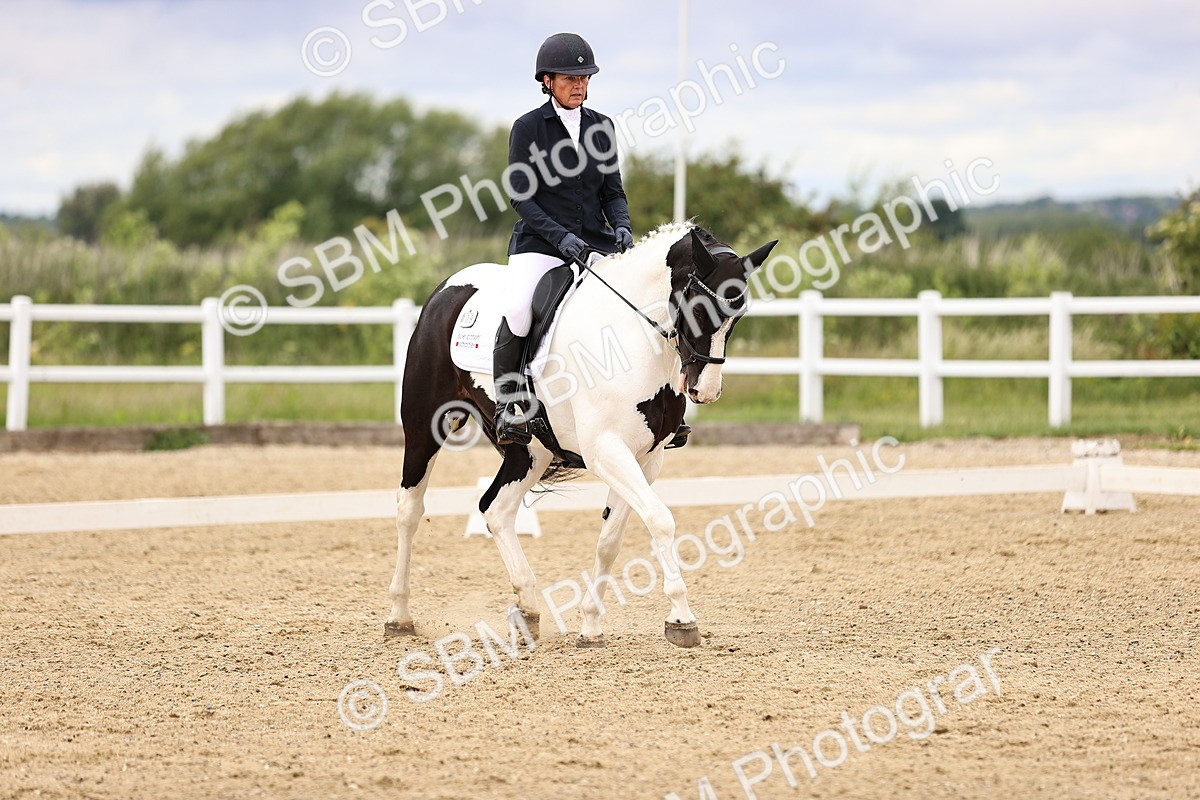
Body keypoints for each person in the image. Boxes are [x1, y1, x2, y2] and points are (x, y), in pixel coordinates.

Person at [492, 31, 633, 446]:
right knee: (519, 309)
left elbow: (613, 191)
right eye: (570, 78)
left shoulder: (601, 127)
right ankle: (509, 405)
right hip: (540, 244)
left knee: (640, 302)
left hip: (596, 242)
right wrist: (562, 239)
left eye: (585, 78)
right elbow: (522, 197)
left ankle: (655, 404)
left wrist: (621, 226)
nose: (580, 85)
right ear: (547, 81)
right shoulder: (528, 128)